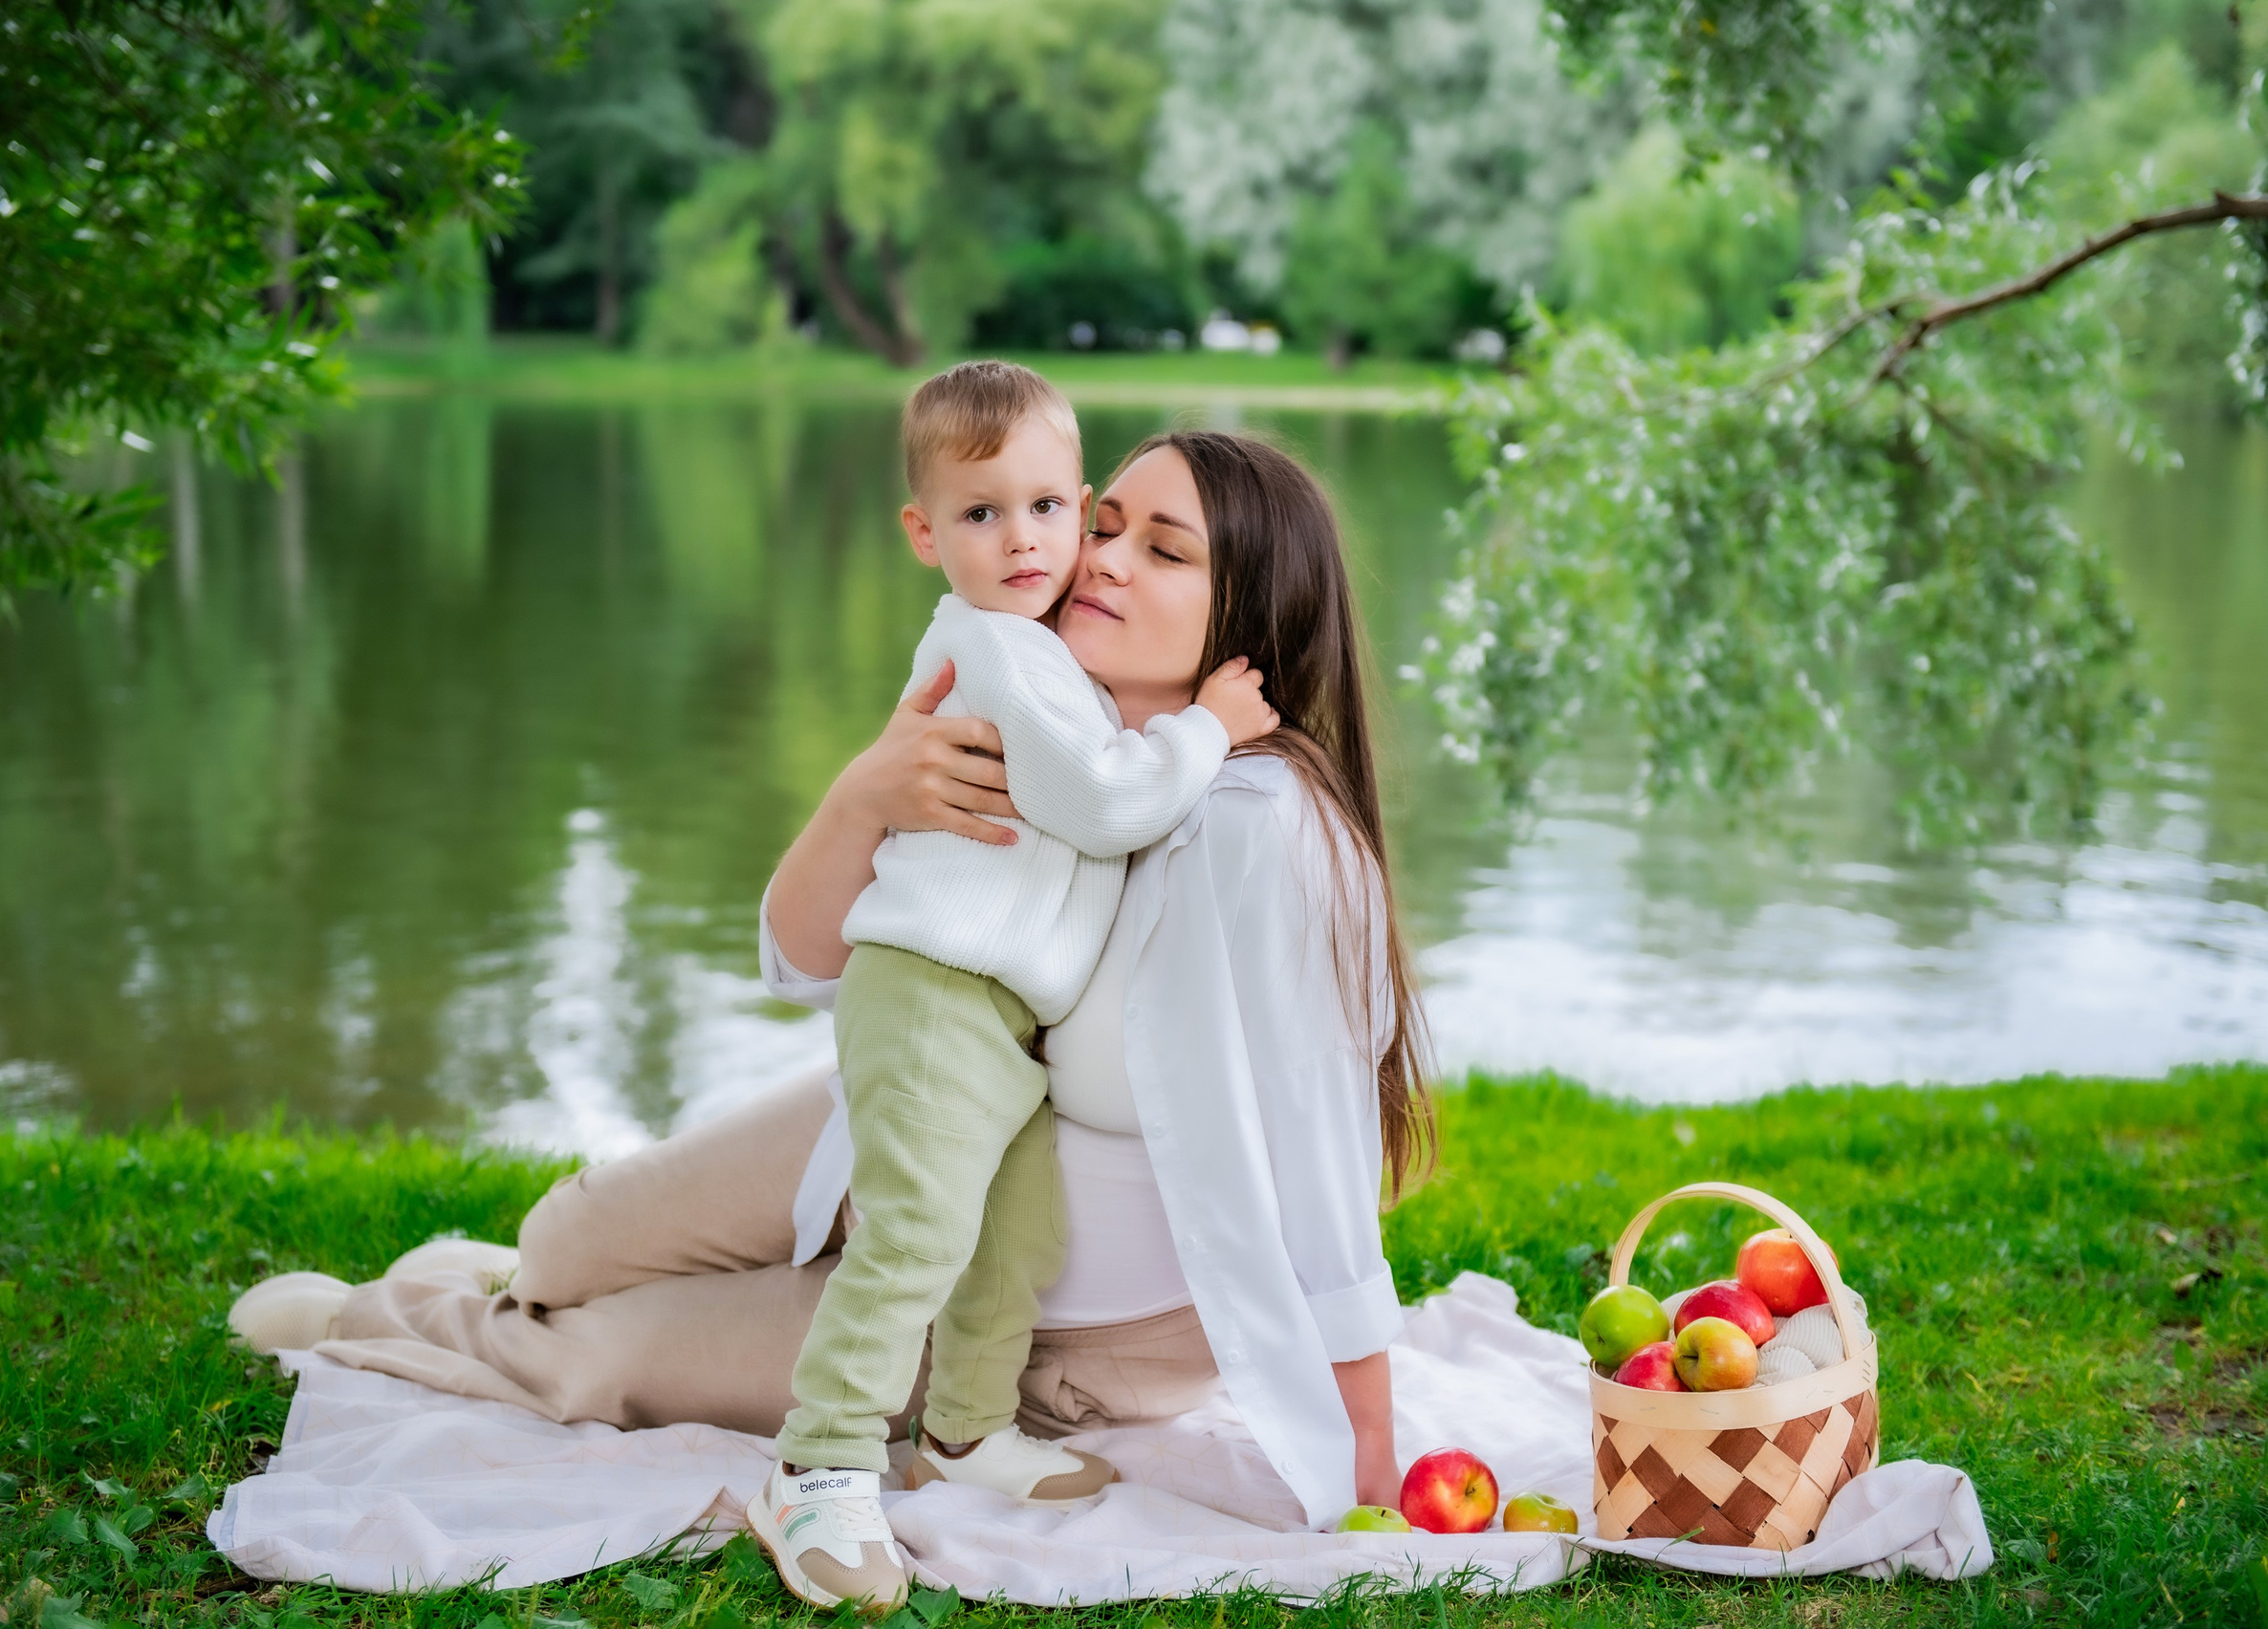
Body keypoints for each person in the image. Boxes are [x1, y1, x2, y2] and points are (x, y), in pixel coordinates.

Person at [229, 427, 1435, 1593]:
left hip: (1023, 1305)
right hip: (895, 1111)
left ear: (1254, 624)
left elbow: (1320, 1153)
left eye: (1164, 551)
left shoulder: (1257, 831)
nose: (1103, 559)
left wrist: (1365, 1453)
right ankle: (516, 1274)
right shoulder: (1027, 698)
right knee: (566, 1242)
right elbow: (808, 963)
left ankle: (382, 1319)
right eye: (1102, 524)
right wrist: (863, 797)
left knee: (602, 1360)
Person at [753, 362, 1277, 1611]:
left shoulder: (1050, 659)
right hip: (933, 990)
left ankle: (964, 1433)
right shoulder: (996, 652)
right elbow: (1101, 804)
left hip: (1000, 1016)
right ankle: (819, 1465)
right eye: (981, 515)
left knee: (1014, 1238)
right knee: (918, 1234)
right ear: (923, 533)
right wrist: (1205, 728)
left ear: (1076, 506)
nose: (1025, 540)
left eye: (1047, 508)